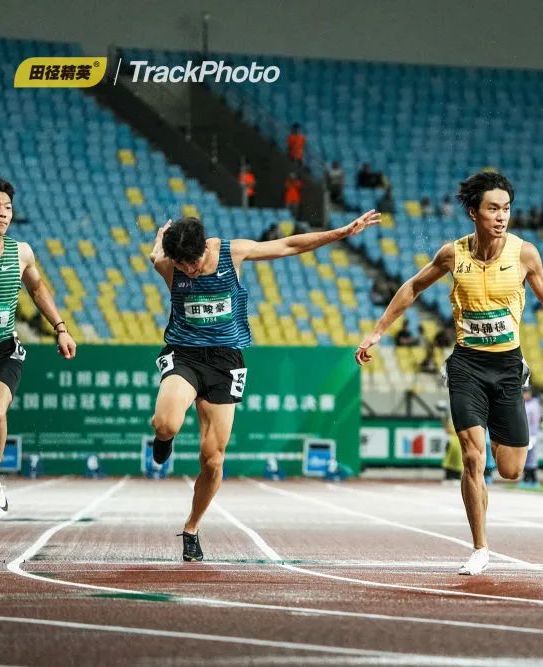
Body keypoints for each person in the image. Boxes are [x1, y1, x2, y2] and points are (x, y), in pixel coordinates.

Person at [355, 171, 543, 575]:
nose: (501, 216)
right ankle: (480, 547)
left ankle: (496, 438)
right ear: (473, 212)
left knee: (510, 469)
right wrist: (377, 332)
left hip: (509, 369)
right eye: (493, 208)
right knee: (472, 459)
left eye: (506, 208)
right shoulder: (452, 255)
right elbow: (412, 287)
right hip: (467, 366)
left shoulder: (525, 254)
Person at [148, 209, 380, 561]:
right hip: (185, 354)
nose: (189, 271)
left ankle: (192, 527)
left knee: (212, 459)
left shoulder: (232, 252)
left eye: (193, 263)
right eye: (182, 266)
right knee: (166, 423)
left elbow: (287, 245)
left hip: (225, 361)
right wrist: (162, 243)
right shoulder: (168, 264)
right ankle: (163, 440)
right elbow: (156, 255)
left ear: (204, 250)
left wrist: (341, 233)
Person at [0, 174, 77, 519]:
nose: (3, 214)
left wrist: (60, 328)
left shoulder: (21, 251)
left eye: (8, 208)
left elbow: (37, 288)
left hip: (2, 352)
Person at [519, 387, 542, 488]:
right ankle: (526, 479)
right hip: (523, 434)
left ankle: (533, 479)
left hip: (531, 435)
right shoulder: (522, 403)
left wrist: (533, 435)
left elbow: (535, 422)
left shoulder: (534, 405)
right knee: (525, 458)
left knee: (531, 458)